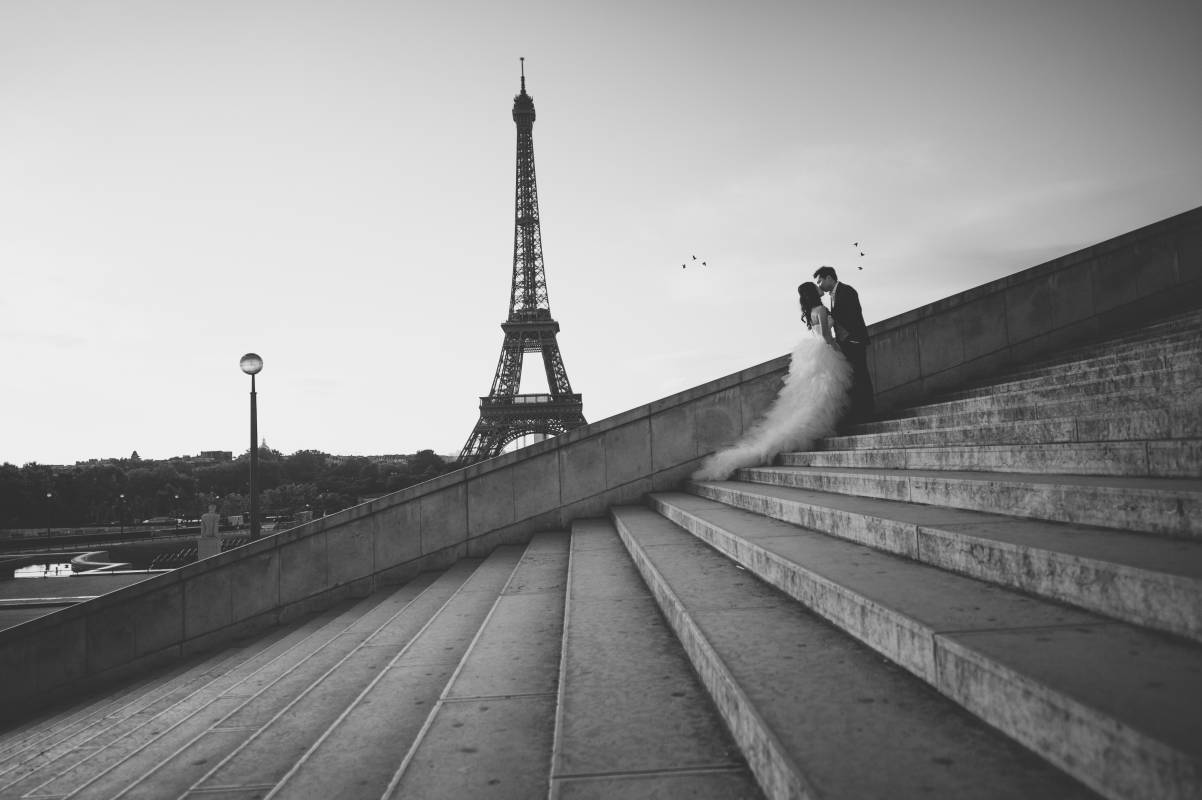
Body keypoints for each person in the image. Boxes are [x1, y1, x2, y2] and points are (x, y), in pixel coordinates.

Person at [692, 282, 853, 481]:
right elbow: (827, 337)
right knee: (823, 392)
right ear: (813, 292)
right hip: (825, 350)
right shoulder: (820, 309)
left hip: (813, 352)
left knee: (812, 395)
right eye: (816, 286)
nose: (820, 288)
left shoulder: (811, 311)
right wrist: (839, 350)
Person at [813, 265, 874, 423]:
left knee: (861, 376)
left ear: (829, 278)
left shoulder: (847, 291)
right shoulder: (833, 295)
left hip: (854, 340)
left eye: (820, 281)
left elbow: (854, 315)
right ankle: (860, 413)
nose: (819, 285)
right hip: (844, 342)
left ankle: (868, 412)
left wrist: (848, 335)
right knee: (853, 378)